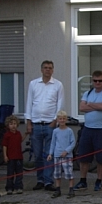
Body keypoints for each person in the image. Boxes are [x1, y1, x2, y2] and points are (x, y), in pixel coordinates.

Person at [25, 60, 64, 192]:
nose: (48, 70)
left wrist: (55, 120)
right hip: (36, 124)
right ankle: (40, 180)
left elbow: (60, 104)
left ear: (53, 70)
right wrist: (28, 122)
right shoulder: (33, 84)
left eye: (50, 68)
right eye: (45, 68)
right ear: (41, 69)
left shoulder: (58, 85)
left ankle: (48, 181)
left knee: (49, 154)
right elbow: (29, 103)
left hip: (50, 124)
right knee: (37, 155)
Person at [74, 70, 102, 192]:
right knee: (84, 156)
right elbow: (81, 107)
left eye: (100, 81)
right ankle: (83, 181)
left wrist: (90, 104)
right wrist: (97, 106)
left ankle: (99, 181)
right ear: (92, 81)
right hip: (88, 128)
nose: (97, 83)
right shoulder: (88, 93)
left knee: (101, 158)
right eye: (95, 81)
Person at [47, 111, 76, 199]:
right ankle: (58, 189)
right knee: (57, 174)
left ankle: (71, 189)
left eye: (64, 119)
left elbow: (73, 143)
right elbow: (53, 143)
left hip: (67, 156)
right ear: (57, 120)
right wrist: (50, 153)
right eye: (60, 119)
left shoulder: (69, 131)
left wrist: (66, 151)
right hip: (57, 155)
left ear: (66, 120)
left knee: (69, 173)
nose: (62, 120)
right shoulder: (55, 131)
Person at [2, 114, 27, 195]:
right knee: (10, 173)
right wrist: (5, 156)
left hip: (19, 156)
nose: (13, 126)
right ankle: (9, 187)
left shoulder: (18, 133)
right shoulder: (7, 135)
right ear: (8, 125)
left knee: (19, 173)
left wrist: (25, 134)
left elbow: (20, 140)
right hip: (11, 157)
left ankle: (19, 187)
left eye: (15, 124)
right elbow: (4, 146)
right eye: (11, 124)